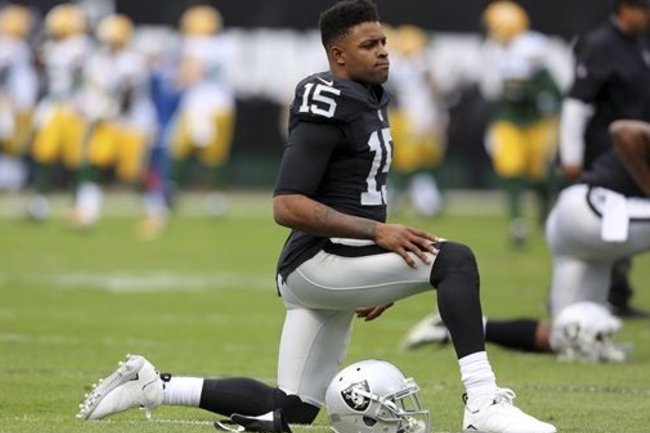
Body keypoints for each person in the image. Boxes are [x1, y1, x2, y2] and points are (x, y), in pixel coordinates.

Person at [77, 2, 556, 433]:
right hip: (318, 263)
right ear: (338, 55)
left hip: (343, 261)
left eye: (383, 41)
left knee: (293, 409)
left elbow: (359, 193)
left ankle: (155, 385)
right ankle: (482, 402)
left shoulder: (370, 95)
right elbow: (287, 205)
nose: (383, 52)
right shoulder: (327, 99)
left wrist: (381, 270)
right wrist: (379, 234)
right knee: (455, 260)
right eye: (369, 45)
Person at [402, 119, 650, 360]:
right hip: (595, 210)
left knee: (566, 337)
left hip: (577, 221)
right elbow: (623, 130)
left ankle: (457, 325)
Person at [559, 0, 650, 316]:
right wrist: (571, 155)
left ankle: (615, 295)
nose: (648, 16)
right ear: (625, 8)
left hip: (632, 154)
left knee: (622, 227)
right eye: (644, 9)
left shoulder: (637, 44)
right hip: (603, 150)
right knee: (607, 228)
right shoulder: (600, 44)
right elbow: (577, 103)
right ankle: (594, 295)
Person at [481, 1, 562, 247]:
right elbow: (491, 90)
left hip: (536, 119)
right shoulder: (492, 50)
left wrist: (533, 92)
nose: (491, 32)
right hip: (508, 118)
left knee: (540, 174)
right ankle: (517, 222)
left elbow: (552, 88)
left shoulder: (533, 47)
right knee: (510, 168)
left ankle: (545, 214)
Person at [70, 13, 154, 228]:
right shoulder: (100, 59)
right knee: (94, 164)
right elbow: (91, 91)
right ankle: (87, 212)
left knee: (133, 174)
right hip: (108, 122)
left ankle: (155, 210)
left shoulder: (132, 60)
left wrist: (107, 109)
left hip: (132, 124)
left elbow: (127, 96)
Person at [168, 4, 236, 217]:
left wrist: (177, 79)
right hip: (221, 105)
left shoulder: (196, 45)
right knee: (215, 156)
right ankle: (217, 198)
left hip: (201, 106)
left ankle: (171, 192)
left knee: (180, 150)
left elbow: (189, 75)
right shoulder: (224, 45)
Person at [26, 3, 91, 220]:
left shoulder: (79, 45)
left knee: (76, 159)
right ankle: (40, 203)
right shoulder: (54, 46)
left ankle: (81, 204)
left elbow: (78, 75)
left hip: (73, 107)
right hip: (54, 105)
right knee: (43, 153)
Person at [0, 4, 37, 193]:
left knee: (17, 144)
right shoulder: (7, 45)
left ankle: (12, 179)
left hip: (20, 101)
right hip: (10, 101)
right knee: (9, 142)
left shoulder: (20, 45)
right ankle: (9, 179)